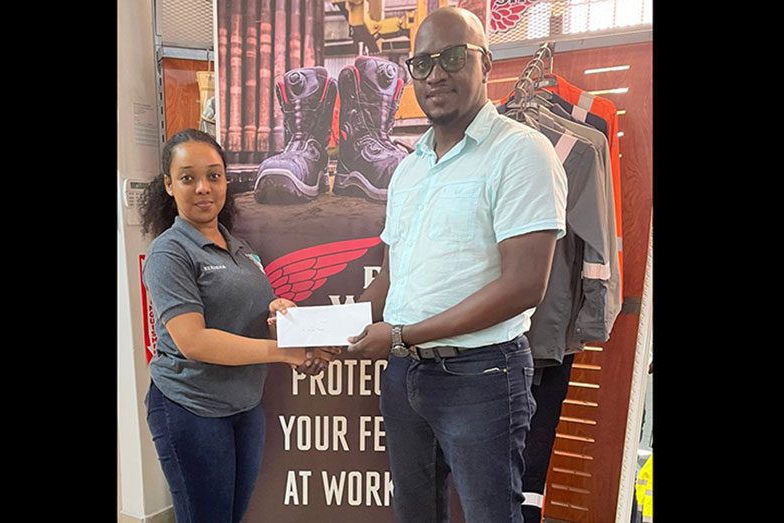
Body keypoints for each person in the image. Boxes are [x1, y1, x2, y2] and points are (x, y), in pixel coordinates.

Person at [346, 8, 568, 523]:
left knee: (492, 515)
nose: (436, 74)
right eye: (421, 64)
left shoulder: (521, 153)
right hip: (404, 378)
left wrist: (401, 336)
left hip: (482, 377)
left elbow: (523, 287)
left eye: (451, 57)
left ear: (485, 63)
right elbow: (390, 276)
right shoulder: (407, 169)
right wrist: (323, 331)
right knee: (415, 514)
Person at [138, 128, 337, 522]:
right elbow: (194, 341)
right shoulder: (170, 252)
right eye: (187, 177)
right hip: (191, 408)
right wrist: (285, 353)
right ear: (168, 185)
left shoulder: (241, 249)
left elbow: (249, 318)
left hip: (245, 407)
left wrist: (281, 314)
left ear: (226, 180)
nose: (202, 188)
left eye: (213, 175)